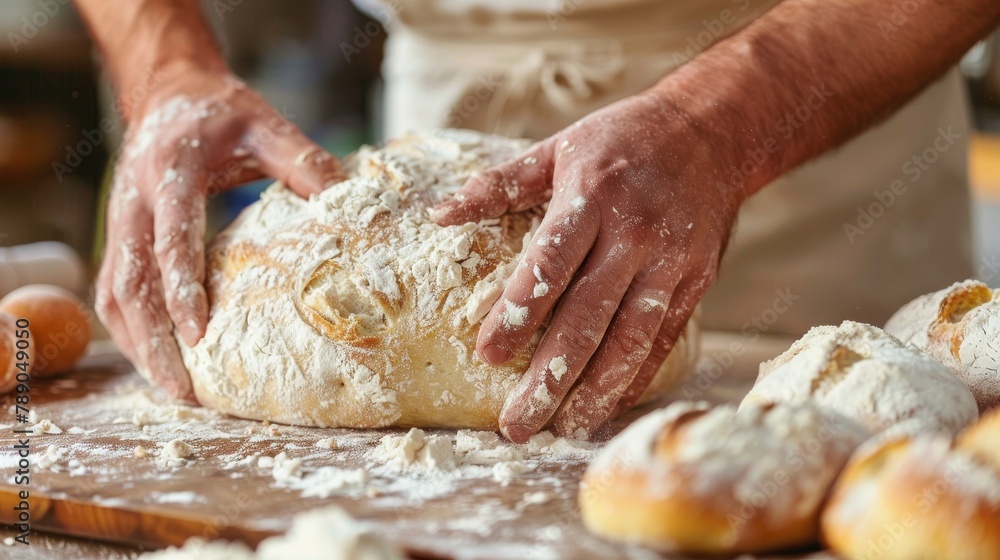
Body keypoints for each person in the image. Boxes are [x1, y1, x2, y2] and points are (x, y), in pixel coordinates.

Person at [72, 0, 1000, 443]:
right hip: (429, 165)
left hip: (810, 107)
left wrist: (719, 125)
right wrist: (165, 64)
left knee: (818, 469)